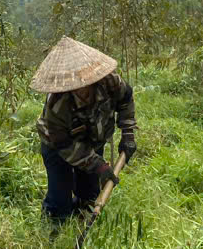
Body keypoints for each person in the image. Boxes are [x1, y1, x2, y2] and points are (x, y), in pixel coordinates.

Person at [31, 36, 137, 228]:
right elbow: (64, 144)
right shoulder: (57, 105)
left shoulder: (110, 82)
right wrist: (100, 166)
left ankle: (83, 223)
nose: (81, 88)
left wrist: (128, 134)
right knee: (59, 198)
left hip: (93, 141)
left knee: (88, 195)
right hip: (58, 147)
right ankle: (53, 232)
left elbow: (126, 99)